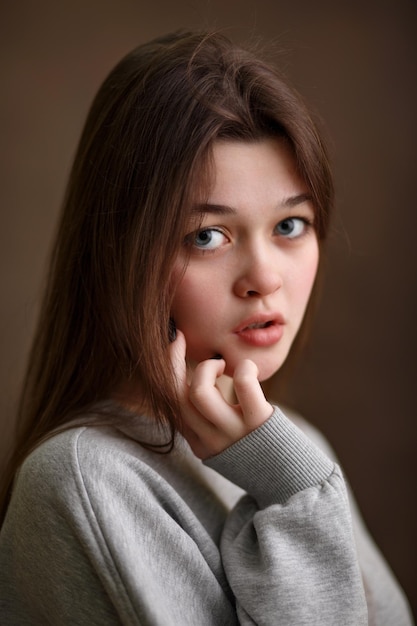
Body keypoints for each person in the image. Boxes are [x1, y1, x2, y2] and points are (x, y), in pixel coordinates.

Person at [0, 30, 413, 625]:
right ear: (123, 252)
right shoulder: (83, 479)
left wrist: (289, 480)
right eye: (207, 236)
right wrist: (294, 496)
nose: (264, 278)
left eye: (291, 225)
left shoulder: (287, 446)